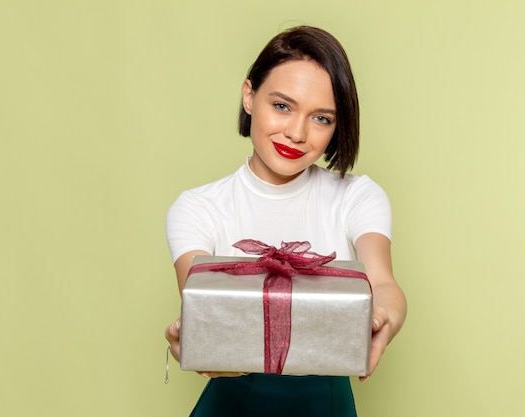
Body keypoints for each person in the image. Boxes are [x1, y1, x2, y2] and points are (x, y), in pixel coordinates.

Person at [164, 25, 407, 417]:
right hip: (232, 402)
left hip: (325, 402)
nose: (296, 133)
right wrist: (197, 344)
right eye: (282, 106)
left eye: (322, 118)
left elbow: (382, 283)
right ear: (249, 96)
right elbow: (204, 309)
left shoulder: (357, 196)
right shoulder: (197, 207)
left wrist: (384, 319)